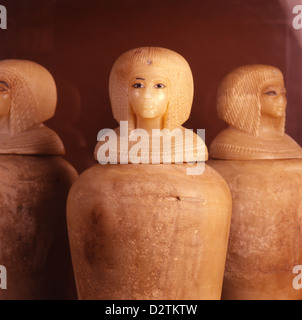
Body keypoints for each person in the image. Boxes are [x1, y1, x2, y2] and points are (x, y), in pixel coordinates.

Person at [210, 64, 302, 160]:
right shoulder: (228, 143)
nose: (282, 101)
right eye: (271, 93)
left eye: (283, 93)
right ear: (246, 98)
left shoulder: (289, 143)